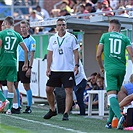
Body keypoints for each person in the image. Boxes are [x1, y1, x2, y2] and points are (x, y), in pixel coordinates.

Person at [96, 19, 133, 129]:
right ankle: (109, 121)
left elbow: (98, 55)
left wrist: (101, 67)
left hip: (110, 69)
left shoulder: (105, 36)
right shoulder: (125, 38)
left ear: (112, 27)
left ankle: (119, 116)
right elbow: (131, 54)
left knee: (111, 95)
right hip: (122, 69)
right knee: (115, 95)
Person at [43, 18, 80, 121]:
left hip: (67, 69)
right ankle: (52, 109)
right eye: (59, 25)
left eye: (63, 25)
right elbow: (50, 54)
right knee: (48, 89)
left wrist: (76, 65)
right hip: (55, 69)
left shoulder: (71, 38)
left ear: (66, 26)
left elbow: (76, 52)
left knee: (68, 90)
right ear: (56, 27)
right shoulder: (52, 38)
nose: (61, 27)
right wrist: (48, 67)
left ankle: (66, 112)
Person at [0, 16, 28, 114]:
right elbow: (26, 49)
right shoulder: (17, 35)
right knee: (10, 86)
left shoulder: (1, 34)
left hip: (2, 62)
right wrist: (26, 63)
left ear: (6, 24)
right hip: (13, 63)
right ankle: (9, 109)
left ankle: (4, 100)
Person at [12, 20, 36, 114]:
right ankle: (17, 104)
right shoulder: (18, 38)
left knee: (26, 86)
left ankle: (29, 106)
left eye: (24, 27)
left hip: (25, 63)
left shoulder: (32, 40)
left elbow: (32, 54)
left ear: (28, 28)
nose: (22, 29)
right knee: (15, 84)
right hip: (16, 62)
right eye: (21, 27)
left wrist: (30, 67)